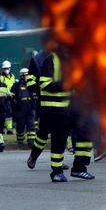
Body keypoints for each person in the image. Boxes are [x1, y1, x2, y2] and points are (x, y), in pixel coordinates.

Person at [25, 38, 76, 182]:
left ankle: (57, 167)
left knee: (60, 138)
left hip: (64, 108)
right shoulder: (41, 59)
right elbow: (35, 83)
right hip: (48, 106)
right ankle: (35, 157)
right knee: (43, 134)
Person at [11, 68, 36, 148]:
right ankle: (20, 140)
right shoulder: (16, 85)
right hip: (20, 109)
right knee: (20, 126)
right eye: (25, 75)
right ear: (21, 76)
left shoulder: (31, 84)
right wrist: (15, 107)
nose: (27, 77)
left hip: (30, 108)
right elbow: (12, 96)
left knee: (31, 125)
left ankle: (31, 142)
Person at [0, 60, 16, 134]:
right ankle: (3, 128)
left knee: (10, 113)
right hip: (4, 97)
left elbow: (13, 85)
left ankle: (9, 128)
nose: (6, 70)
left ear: (10, 68)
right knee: (4, 112)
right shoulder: (1, 77)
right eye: (5, 68)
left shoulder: (12, 76)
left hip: (11, 97)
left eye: (7, 68)